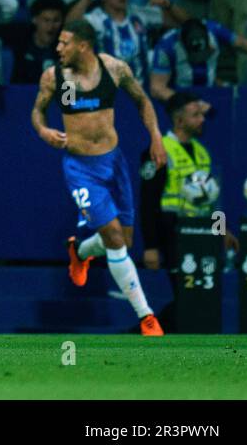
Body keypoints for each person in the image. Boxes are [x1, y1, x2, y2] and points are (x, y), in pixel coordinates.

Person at [32, 19, 166, 336]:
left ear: (83, 45)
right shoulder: (54, 76)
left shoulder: (114, 69)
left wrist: (156, 136)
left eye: (65, 43)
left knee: (127, 240)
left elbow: (142, 100)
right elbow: (37, 110)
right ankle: (146, 316)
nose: (58, 48)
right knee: (116, 239)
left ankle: (79, 252)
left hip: (114, 163)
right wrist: (43, 130)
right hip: (80, 168)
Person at [139, 92, 236, 278]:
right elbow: (148, 201)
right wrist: (150, 246)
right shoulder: (159, 150)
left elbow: (213, 202)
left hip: (202, 233)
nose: (202, 120)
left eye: (202, 115)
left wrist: (222, 231)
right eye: (195, 115)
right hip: (172, 234)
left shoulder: (203, 153)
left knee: (203, 295)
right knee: (179, 297)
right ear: (179, 121)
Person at [0, 0, 67, 94]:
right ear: (34, 19)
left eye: (56, 21)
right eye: (46, 20)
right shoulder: (21, 33)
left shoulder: (66, 43)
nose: (51, 26)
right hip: (19, 94)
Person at [150, 18, 247, 100]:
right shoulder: (166, 47)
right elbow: (156, 88)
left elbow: (245, 45)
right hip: (179, 97)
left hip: (210, 91)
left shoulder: (214, 30)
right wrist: (188, 102)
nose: (200, 60)